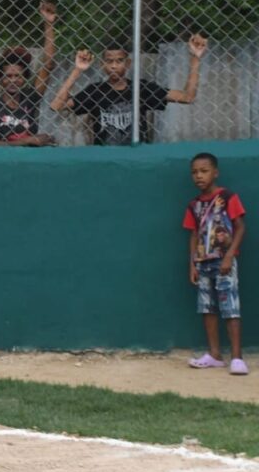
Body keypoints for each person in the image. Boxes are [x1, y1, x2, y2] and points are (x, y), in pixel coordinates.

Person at [49, 35, 208, 145]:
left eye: (119, 61)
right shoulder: (95, 91)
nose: (114, 65)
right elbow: (56, 105)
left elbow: (187, 97)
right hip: (104, 157)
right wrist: (77, 70)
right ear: (102, 65)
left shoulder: (141, 88)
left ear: (128, 63)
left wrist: (195, 58)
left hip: (137, 155)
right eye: (109, 61)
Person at [183, 152, 247, 375]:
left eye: (204, 171)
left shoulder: (228, 197)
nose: (198, 176)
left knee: (230, 307)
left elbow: (240, 227)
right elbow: (193, 234)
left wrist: (229, 255)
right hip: (202, 264)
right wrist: (192, 264)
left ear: (215, 172)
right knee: (207, 307)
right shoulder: (193, 205)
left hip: (223, 263)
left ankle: (237, 358)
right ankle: (214, 354)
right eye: (194, 172)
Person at [0, 1, 57, 147]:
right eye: (8, 76)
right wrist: (27, 140)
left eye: (18, 76)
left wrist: (49, 24)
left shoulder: (30, 99)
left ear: (24, 79)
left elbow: (48, 66)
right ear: (1, 79)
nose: (13, 80)